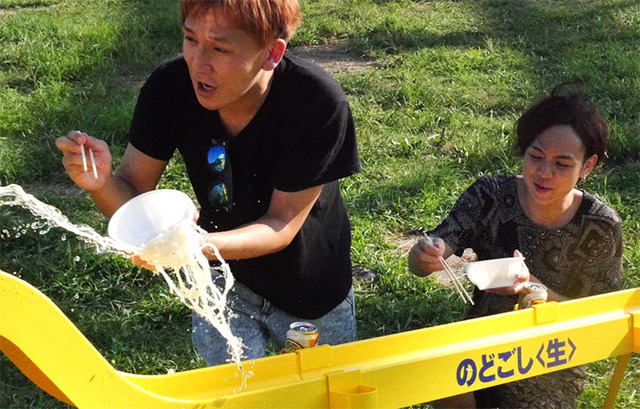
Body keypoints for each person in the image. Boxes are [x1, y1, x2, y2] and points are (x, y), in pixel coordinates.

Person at [56, 0, 360, 366]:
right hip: (220, 282)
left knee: (320, 390)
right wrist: (102, 183)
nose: (198, 62)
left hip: (311, 287)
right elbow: (132, 200)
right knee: (232, 392)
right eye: (190, 39)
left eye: (219, 48)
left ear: (272, 53)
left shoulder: (315, 103)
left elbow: (281, 223)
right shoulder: (169, 88)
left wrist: (193, 246)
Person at [408, 84, 623, 408]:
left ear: (587, 167)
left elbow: (601, 321)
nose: (544, 172)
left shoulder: (599, 225)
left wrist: (531, 288)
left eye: (562, 164)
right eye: (536, 156)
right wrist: (424, 255)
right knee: (444, 380)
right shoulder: (489, 196)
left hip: (553, 353)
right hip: (482, 338)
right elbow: (432, 253)